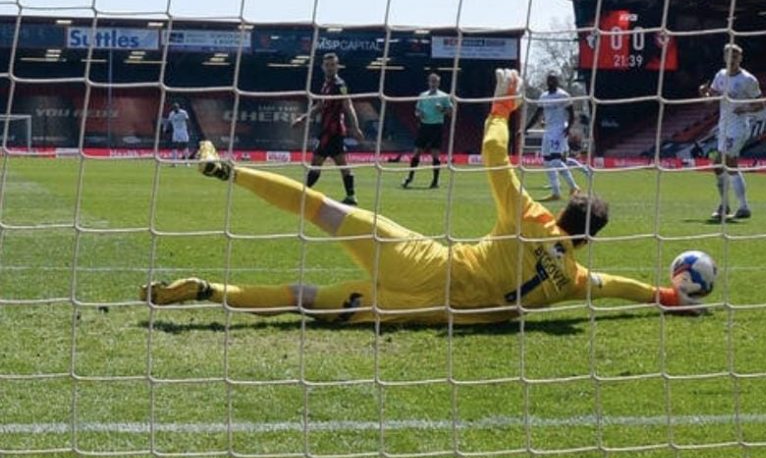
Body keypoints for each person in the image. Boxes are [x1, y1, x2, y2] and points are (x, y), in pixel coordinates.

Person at [139, 70, 703, 324]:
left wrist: (501, 111)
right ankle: (210, 292)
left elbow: (494, 159)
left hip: (425, 259)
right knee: (303, 299)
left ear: (561, 213)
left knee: (322, 209)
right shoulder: (572, 282)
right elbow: (618, 288)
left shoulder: (532, 219)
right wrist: (669, 296)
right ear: (588, 239)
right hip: (426, 312)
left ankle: (225, 170)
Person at [698, 43, 763, 221]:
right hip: (724, 126)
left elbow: (761, 104)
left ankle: (739, 207)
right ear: (724, 57)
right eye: (729, 55)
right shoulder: (720, 75)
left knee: (727, 162)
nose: (732, 59)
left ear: (740, 58)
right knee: (719, 166)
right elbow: (709, 100)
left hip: (739, 126)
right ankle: (728, 205)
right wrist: (703, 93)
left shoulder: (748, 80)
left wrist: (745, 109)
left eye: (735, 56)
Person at [292, 52, 364, 205]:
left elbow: (348, 105)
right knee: (342, 164)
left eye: (333, 65)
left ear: (337, 66)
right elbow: (319, 105)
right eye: (327, 65)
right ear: (323, 67)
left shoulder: (340, 85)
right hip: (330, 130)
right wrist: (303, 118)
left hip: (332, 131)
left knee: (316, 162)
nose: (330, 68)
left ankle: (303, 194)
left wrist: (356, 127)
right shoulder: (326, 85)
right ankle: (351, 196)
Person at [524, 73, 580, 201]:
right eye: (549, 80)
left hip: (559, 130)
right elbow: (537, 114)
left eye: (553, 80)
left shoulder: (563, 95)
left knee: (555, 161)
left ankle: (574, 187)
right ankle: (556, 193)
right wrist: (526, 128)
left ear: (557, 82)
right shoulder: (543, 96)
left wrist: (568, 128)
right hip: (548, 131)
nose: (551, 82)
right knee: (547, 162)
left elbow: (571, 113)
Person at [402, 72, 454, 189]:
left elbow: (451, 113)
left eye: (435, 81)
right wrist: (419, 114)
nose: (433, 83)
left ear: (438, 83)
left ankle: (435, 181)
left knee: (435, 154)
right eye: (431, 81)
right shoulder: (423, 95)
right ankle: (409, 177)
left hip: (437, 126)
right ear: (428, 82)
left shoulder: (444, 96)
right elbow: (417, 111)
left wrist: (442, 109)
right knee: (416, 153)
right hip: (424, 126)